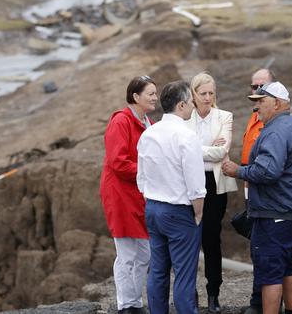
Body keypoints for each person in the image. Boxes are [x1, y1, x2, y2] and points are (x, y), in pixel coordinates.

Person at [222, 81, 292, 314]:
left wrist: (238, 170)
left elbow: (268, 171)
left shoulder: (275, 132)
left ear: (278, 104)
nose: (257, 107)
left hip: (275, 213)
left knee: (270, 273)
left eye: (261, 101)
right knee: (287, 267)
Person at [137, 80, 207, 314]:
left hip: (154, 208)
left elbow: (141, 178)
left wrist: (152, 200)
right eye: (191, 102)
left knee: (157, 270)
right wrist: (198, 214)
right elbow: (196, 184)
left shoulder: (148, 134)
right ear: (181, 105)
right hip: (179, 211)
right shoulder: (187, 136)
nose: (194, 106)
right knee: (184, 275)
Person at [99, 75, 158, 314]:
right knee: (126, 252)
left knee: (144, 251)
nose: (155, 97)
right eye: (151, 93)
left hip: (138, 192)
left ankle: (134, 301)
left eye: (155, 93)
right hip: (119, 193)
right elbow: (118, 163)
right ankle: (127, 305)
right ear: (136, 96)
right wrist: (151, 170)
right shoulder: (121, 122)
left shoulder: (148, 122)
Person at [185, 72, 238, 313]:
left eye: (211, 93)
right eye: (202, 93)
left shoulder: (224, 117)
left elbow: (221, 152)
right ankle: (189, 291)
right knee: (188, 239)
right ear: (193, 95)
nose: (207, 98)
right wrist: (208, 149)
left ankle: (213, 292)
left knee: (211, 238)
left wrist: (194, 148)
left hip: (215, 184)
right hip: (189, 182)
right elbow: (181, 151)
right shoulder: (184, 119)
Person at [240, 68, 275, 314]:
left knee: (265, 249)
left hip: (266, 193)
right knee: (256, 247)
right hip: (250, 189)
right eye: (254, 87)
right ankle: (259, 299)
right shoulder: (254, 117)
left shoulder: (272, 123)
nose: (257, 92)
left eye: (262, 87)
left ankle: (262, 303)